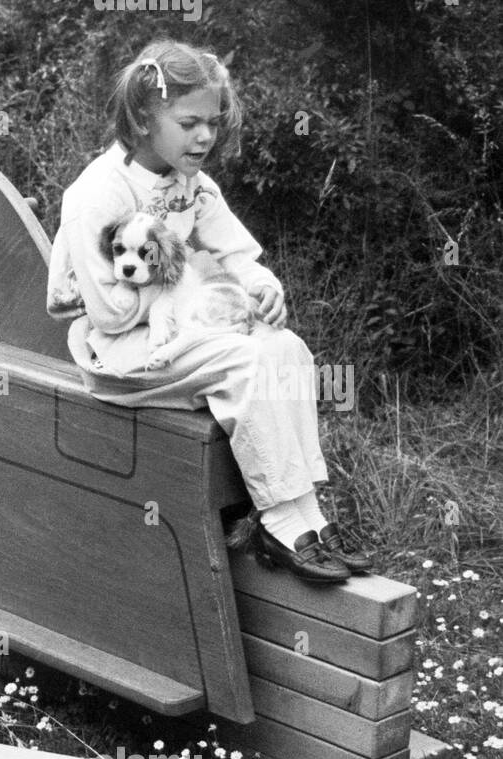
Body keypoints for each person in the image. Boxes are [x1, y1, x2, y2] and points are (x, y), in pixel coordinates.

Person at [46, 40, 373, 584]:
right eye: (189, 122)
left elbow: (238, 254)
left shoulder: (191, 187)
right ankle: (276, 521)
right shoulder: (97, 195)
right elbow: (110, 315)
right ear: (144, 118)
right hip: (126, 355)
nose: (204, 136)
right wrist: (189, 293)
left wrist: (261, 285)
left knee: (285, 347)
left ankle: (307, 510)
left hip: (180, 332)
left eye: (213, 123)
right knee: (246, 359)